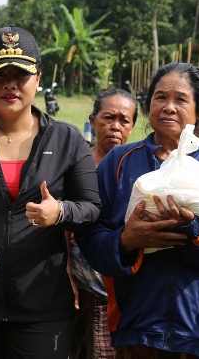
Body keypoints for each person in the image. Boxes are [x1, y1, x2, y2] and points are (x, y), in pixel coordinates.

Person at [0, 26, 101, 359]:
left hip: (43, 304)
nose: (10, 84)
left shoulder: (67, 139)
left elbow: (92, 207)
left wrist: (61, 213)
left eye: (21, 75)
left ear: (38, 78)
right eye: (0, 75)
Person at [76, 62, 199, 359]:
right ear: (149, 104)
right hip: (134, 325)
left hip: (196, 327)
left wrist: (196, 235)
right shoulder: (119, 161)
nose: (168, 107)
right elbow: (91, 237)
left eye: (180, 99)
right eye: (160, 97)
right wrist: (127, 240)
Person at [70, 89, 138, 359]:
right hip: (81, 281)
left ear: (133, 126)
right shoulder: (76, 164)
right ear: (92, 120)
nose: (115, 126)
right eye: (108, 117)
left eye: (124, 120)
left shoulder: (139, 166)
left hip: (120, 286)